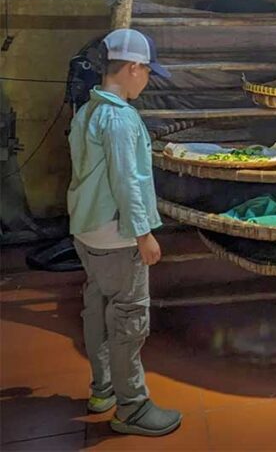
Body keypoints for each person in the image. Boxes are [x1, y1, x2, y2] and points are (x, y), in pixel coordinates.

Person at [67, 28, 182, 437]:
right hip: (117, 236)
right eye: (148, 72)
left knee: (98, 307)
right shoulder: (120, 118)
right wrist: (143, 234)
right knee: (130, 318)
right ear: (133, 68)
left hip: (87, 232)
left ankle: (103, 390)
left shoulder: (88, 112)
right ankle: (132, 406)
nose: (148, 81)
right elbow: (127, 182)